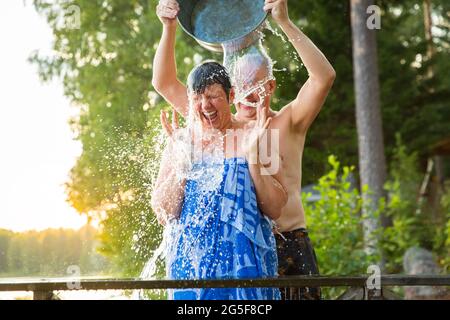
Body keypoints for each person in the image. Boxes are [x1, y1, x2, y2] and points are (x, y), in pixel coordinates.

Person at [153, 0, 336, 300]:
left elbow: (323, 78)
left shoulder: (287, 123)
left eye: (259, 88)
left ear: (272, 85)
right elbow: (164, 83)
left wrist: (285, 22)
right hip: (240, 252)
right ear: (232, 92)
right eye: (243, 89)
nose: (251, 97)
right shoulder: (221, 128)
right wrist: (168, 27)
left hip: (288, 242)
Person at [151, 61, 287, 300]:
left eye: (213, 96)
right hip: (191, 272)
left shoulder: (256, 133)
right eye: (197, 98)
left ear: (232, 95)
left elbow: (275, 208)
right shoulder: (182, 141)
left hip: (246, 269)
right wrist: (184, 164)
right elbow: (164, 214)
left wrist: (252, 159)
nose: (205, 105)